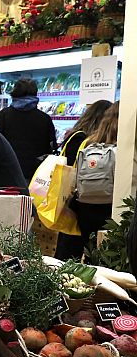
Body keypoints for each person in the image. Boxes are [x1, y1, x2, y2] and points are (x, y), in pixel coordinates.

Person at [54, 99, 113, 259]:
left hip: (69, 201)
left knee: (68, 246)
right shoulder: (91, 143)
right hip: (82, 201)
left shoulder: (74, 136)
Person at [67, 101, 120, 257]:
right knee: (110, 254)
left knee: (90, 251)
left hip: (85, 206)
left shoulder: (88, 142)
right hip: (111, 206)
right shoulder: (125, 146)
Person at [0, 78, 56, 181]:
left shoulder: (4, 115)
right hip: (36, 175)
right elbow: (51, 148)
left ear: (15, 92)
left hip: (8, 171)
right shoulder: (44, 118)